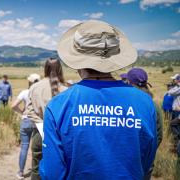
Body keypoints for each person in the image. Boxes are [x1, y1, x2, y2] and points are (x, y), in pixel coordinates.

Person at [40, 20, 157, 179]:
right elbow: (146, 160)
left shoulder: (58, 105)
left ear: (77, 60)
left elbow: (53, 173)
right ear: (115, 59)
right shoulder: (145, 103)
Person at [26, 58, 67, 180]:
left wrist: (41, 124)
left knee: (36, 169)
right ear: (60, 69)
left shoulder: (34, 87)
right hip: (60, 136)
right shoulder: (66, 90)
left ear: (45, 68)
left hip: (39, 134)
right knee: (59, 170)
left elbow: (29, 111)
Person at [126, 68, 163, 180]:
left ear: (129, 82)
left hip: (126, 161)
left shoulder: (126, 103)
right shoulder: (153, 105)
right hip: (146, 161)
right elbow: (159, 135)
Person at [11, 73, 41, 179]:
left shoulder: (24, 92)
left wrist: (21, 112)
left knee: (24, 146)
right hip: (38, 121)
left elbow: (13, 105)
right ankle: (36, 171)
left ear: (29, 82)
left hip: (26, 120)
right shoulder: (40, 92)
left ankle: (20, 172)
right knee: (37, 148)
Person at [167, 74, 180, 154]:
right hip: (176, 110)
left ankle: (177, 145)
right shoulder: (177, 87)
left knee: (173, 124)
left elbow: (170, 92)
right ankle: (176, 146)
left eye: (174, 79)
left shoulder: (178, 88)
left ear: (178, 80)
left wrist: (173, 86)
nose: (173, 81)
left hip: (177, 111)